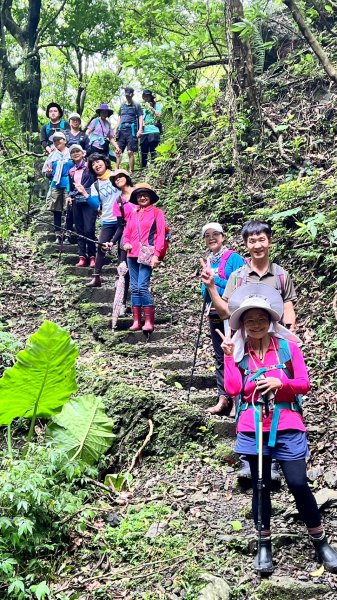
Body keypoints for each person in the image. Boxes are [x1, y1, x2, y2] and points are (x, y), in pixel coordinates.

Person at [219, 283, 337, 575]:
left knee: (298, 483)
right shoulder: (239, 351)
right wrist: (227, 355)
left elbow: (305, 385)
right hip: (252, 427)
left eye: (261, 319)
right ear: (243, 325)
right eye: (249, 321)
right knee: (260, 486)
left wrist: (280, 383)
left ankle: (320, 540)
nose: (256, 325)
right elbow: (234, 388)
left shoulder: (287, 348)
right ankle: (263, 544)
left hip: (287, 424)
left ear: (271, 321)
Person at [201, 219, 297, 481]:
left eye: (261, 239)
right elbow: (226, 311)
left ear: (269, 241)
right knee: (247, 398)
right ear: (245, 245)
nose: (257, 245)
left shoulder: (280, 275)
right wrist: (211, 287)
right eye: (252, 241)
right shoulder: (238, 276)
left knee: (278, 398)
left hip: (275, 347)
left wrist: (290, 339)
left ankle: (275, 460)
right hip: (246, 346)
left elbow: (288, 307)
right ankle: (248, 459)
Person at [200, 222, 245, 416]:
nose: (212, 238)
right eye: (207, 235)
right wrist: (206, 284)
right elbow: (205, 291)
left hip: (232, 314)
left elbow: (241, 283)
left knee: (235, 354)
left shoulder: (234, 258)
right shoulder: (209, 260)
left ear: (223, 236)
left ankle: (239, 400)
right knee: (220, 356)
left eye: (215, 234)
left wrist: (214, 280)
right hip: (214, 313)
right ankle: (223, 398)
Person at [122, 183, 166, 332]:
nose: (142, 197)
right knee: (134, 288)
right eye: (139, 195)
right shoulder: (132, 213)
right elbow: (126, 232)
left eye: (145, 195)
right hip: (132, 254)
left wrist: (157, 255)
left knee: (142, 286)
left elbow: (160, 235)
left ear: (150, 197)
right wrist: (126, 243)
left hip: (147, 253)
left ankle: (149, 321)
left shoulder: (156, 213)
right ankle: (136, 321)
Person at [74, 153, 121, 287]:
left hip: (122, 219)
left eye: (98, 162)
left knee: (122, 249)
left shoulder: (116, 176)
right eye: (93, 164)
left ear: (105, 162)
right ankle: (96, 277)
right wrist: (85, 193)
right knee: (101, 247)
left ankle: (120, 278)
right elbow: (96, 205)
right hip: (107, 220)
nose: (96, 165)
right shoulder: (96, 185)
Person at [107, 169, 135, 315]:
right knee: (124, 272)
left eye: (120, 177)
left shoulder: (140, 193)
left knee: (140, 271)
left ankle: (139, 305)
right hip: (126, 239)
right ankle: (122, 304)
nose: (118, 180)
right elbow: (120, 226)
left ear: (126, 177)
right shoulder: (118, 202)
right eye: (115, 179)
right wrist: (112, 241)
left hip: (142, 238)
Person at [67, 145, 96, 267]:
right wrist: (70, 195)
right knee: (79, 229)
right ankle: (82, 256)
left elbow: (94, 183)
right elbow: (71, 187)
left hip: (88, 200)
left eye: (77, 151)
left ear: (83, 153)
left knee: (89, 229)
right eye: (72, 152)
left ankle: (93, 256)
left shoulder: (90, 167)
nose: (75, 153)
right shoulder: (71, 170)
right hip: (76, 201)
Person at [42, 132, 72, 243]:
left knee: (68, 210)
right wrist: (49, 173)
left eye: (59, 139)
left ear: (65, 141)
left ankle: (68, 234)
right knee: (56, 210)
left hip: (69, 184)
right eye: (55, 141)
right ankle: (58, 234)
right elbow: (46, 172)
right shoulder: (52, 155)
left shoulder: (71, 153)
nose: (57, 142)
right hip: (55, 184)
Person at [115, 87, 143, 173]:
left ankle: (131, 171)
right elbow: (119, 118)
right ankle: (116, 170)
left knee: (130, 152)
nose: (128, 97)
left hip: (132, 130)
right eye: (126, 95)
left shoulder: (136, 105)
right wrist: (116, 128)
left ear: (132, 95)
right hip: (121, 130)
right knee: (118, 151)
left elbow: (140, 117)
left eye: (129, 95)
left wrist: (140, 130)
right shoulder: (122, 106)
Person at [140, 90, 162, 168]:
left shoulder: (157, 105)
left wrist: (151, 108)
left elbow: (159, 115)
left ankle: (155, 168)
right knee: (144, 152)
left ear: (151, 97)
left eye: (148, 96)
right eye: (145, 97)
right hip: (144, 131)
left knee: (154, 151)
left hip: (154, 130)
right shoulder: (142, 107)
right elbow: (141, 118)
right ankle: (143, 169)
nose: (147, 98)